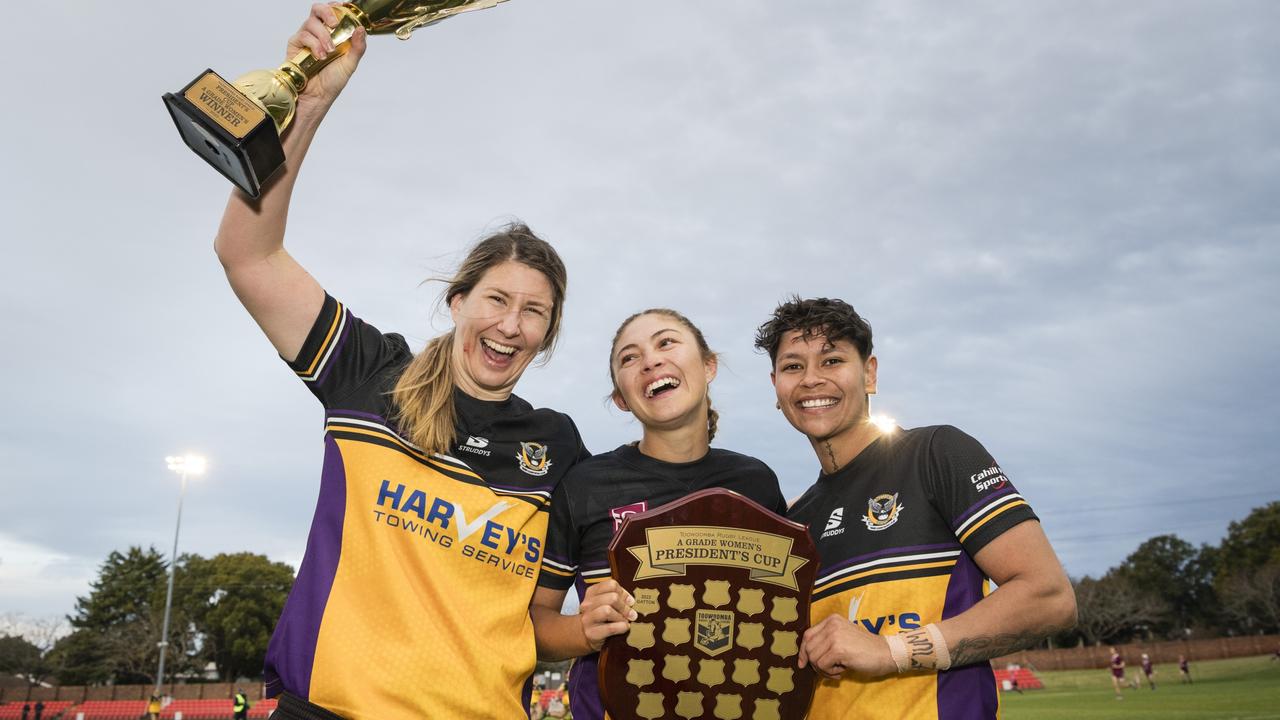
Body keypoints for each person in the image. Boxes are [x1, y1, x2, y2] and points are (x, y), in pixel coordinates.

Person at [213, 6, 588, 718]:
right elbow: (248, 255)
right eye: (497, 299)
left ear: (548, 334)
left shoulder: (558, 448)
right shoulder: (367, 371)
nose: (510, 326)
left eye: (534, 312)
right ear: (456, 301)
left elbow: (547, 622)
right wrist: (312, 99)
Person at [754, 297, 1077, 720]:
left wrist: (891, 650)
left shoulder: (937, 454)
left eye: (832, 360)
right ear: (776, 385)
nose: (812, 380)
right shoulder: (794, 523)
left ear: (869, 373)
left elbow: (1050, 599)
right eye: (794, 366)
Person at [530, 309, 788, 720]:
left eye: (666, 342)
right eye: (629, 358)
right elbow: (537, 624)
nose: (650, 360)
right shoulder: (585, 485)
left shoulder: (756, 483)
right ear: (621, 397)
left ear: (708, 366)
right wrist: (583, 630)